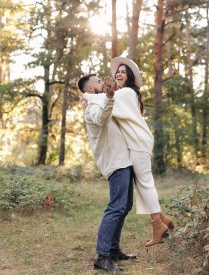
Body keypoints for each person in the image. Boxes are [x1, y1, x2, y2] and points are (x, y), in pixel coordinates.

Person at [82, 58, 174, 247]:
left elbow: (101, 99)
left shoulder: (125, 93)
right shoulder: (124, 94)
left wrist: (86, 96)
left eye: (123, 71)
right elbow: (105, 105)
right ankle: (162, 219)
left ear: (130, 77)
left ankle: (157, 225)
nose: (118, 74)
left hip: (138, 143)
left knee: (145, 183)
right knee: (142, 183)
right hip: (137, 143)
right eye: (118, 71)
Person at [77, 75, 136, 272]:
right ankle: (102, 257)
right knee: (116, 207)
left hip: (123, 160)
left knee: (125, 205)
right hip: (115, 162)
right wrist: (110, 97)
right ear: (91, 88)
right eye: (98, 81)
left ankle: (113, 249)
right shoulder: (92, 105)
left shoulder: (99, 100)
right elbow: (101, 118)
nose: (103, 82)